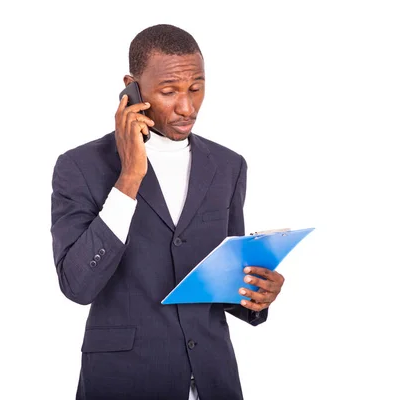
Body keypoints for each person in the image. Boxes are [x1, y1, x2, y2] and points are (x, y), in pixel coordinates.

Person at [50, 24, 286, 400]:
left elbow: (226, 279)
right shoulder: (80, 166)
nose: (187, 107)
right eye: (169, 91)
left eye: (196, 88)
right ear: (133, 87)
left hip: (213, 379)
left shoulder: (228, 166)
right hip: (123, 380)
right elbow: (77, 285)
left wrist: (257, 293)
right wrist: (129, 176)